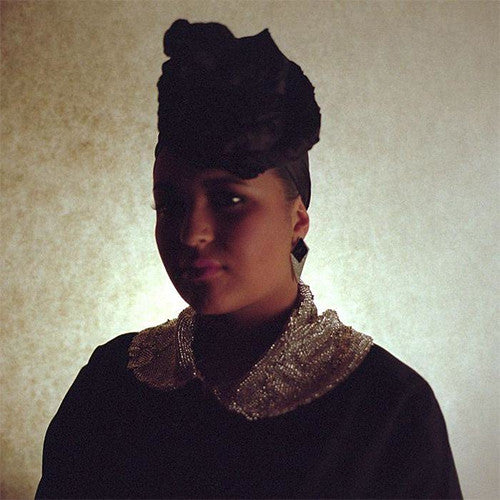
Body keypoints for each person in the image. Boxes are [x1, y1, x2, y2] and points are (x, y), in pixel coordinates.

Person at [36, 19, 462, 499]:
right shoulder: (114, 382)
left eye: (229, 200)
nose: (191, 232)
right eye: (170, 203)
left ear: (297, 219)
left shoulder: (386, 408)